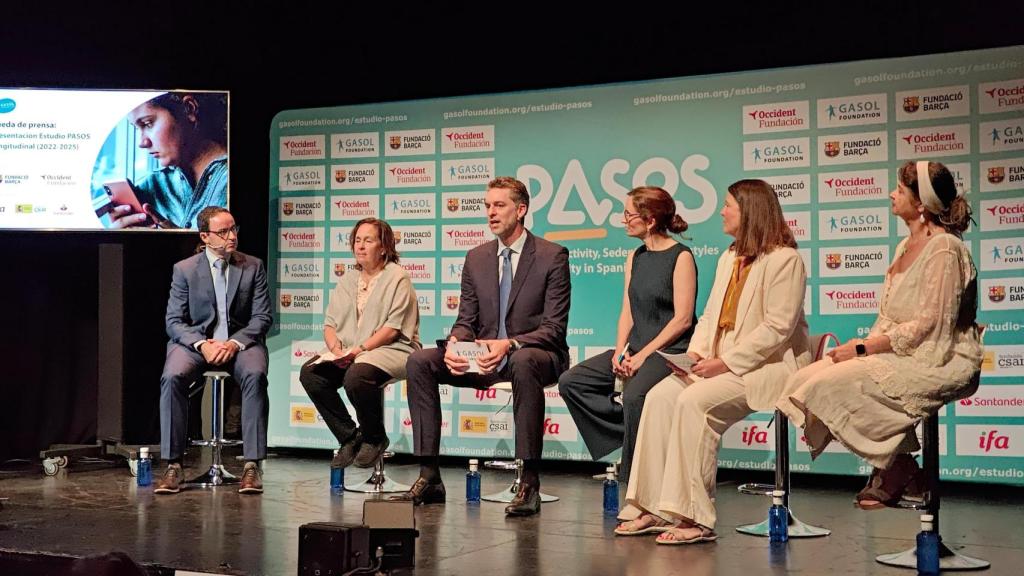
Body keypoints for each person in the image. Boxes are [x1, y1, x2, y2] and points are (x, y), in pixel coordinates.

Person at [777, 160, 981, 509]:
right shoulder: (905, 246)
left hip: (938, 356)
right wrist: (862, 350)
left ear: (921, 205)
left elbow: (930, 324)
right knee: (805, 378)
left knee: (830, 384)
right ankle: (903, 468)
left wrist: (861, 349)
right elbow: (887, 317)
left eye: (900, 190)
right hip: (901, 351)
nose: (891, 194)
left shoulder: (946, 248)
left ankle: (895, 469)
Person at [616, 179, 810, 544]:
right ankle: (652, 506)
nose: (721, 212)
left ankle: (695, 517)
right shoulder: (730, 257)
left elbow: (776, 329)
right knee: (659, 397)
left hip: (764, 367)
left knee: (693, 402)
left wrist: (724, 363)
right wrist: (695, 354)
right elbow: (708, 317)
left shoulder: (786, 260)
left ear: (750, 212)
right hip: (718, 363)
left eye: (727, 206)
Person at [392, 176, 571, 517]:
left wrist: (510, 343)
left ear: (521, 210)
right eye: (487, 205)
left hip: (534, 355)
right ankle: (429, 476)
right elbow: (466, 319)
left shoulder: (552, 256)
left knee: (524, 361)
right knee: (420, 361)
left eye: (499, 205)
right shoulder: (476, 257)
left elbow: (553, 328)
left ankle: (529, 482)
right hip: (484, 357)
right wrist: (457, 345)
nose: (490, 212)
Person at [558, 186, 697, 486]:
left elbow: (683, 319)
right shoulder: (635, 256)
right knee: (572, 382)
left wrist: (643, 356)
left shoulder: (681, 256)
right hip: (635, 348)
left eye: (628, 215)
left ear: (649, 220)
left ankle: (633, 479)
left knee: (635, 396)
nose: (623, 221)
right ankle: (635, 435)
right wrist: (620, 351)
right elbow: (628, 311)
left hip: (670, 351)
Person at [155, 207, 272, 495]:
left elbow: (262, 318)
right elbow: (174, 322)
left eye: (234, 229)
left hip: (240, 343)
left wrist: (233, 343)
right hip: (197, 345)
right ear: (205, 236)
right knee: (172, 377)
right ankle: (174, 465)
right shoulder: (184, 269)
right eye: (224, 232)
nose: (232, 236)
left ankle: (251, 466)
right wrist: (202, 344)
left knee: (255, 375)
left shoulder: (252, 266)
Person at [299, 217, 421, 470]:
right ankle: (350, 437)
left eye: (368, 240)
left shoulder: (397, 277)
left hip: (392, 349)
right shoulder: (348, 278)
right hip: (351, 350)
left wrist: (359, 350)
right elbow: (330, 324)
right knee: (311, 374)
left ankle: (375, 438)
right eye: (357, 240)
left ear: (384, 247)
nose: (361, 246)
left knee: (357, 375)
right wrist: (335, 350)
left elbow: (392, 329)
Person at [109, 92, 228, 229]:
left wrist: (174, 242)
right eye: (136, 128)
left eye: (148, 124)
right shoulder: (150, 188)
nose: (141, 143)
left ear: (189, 109)